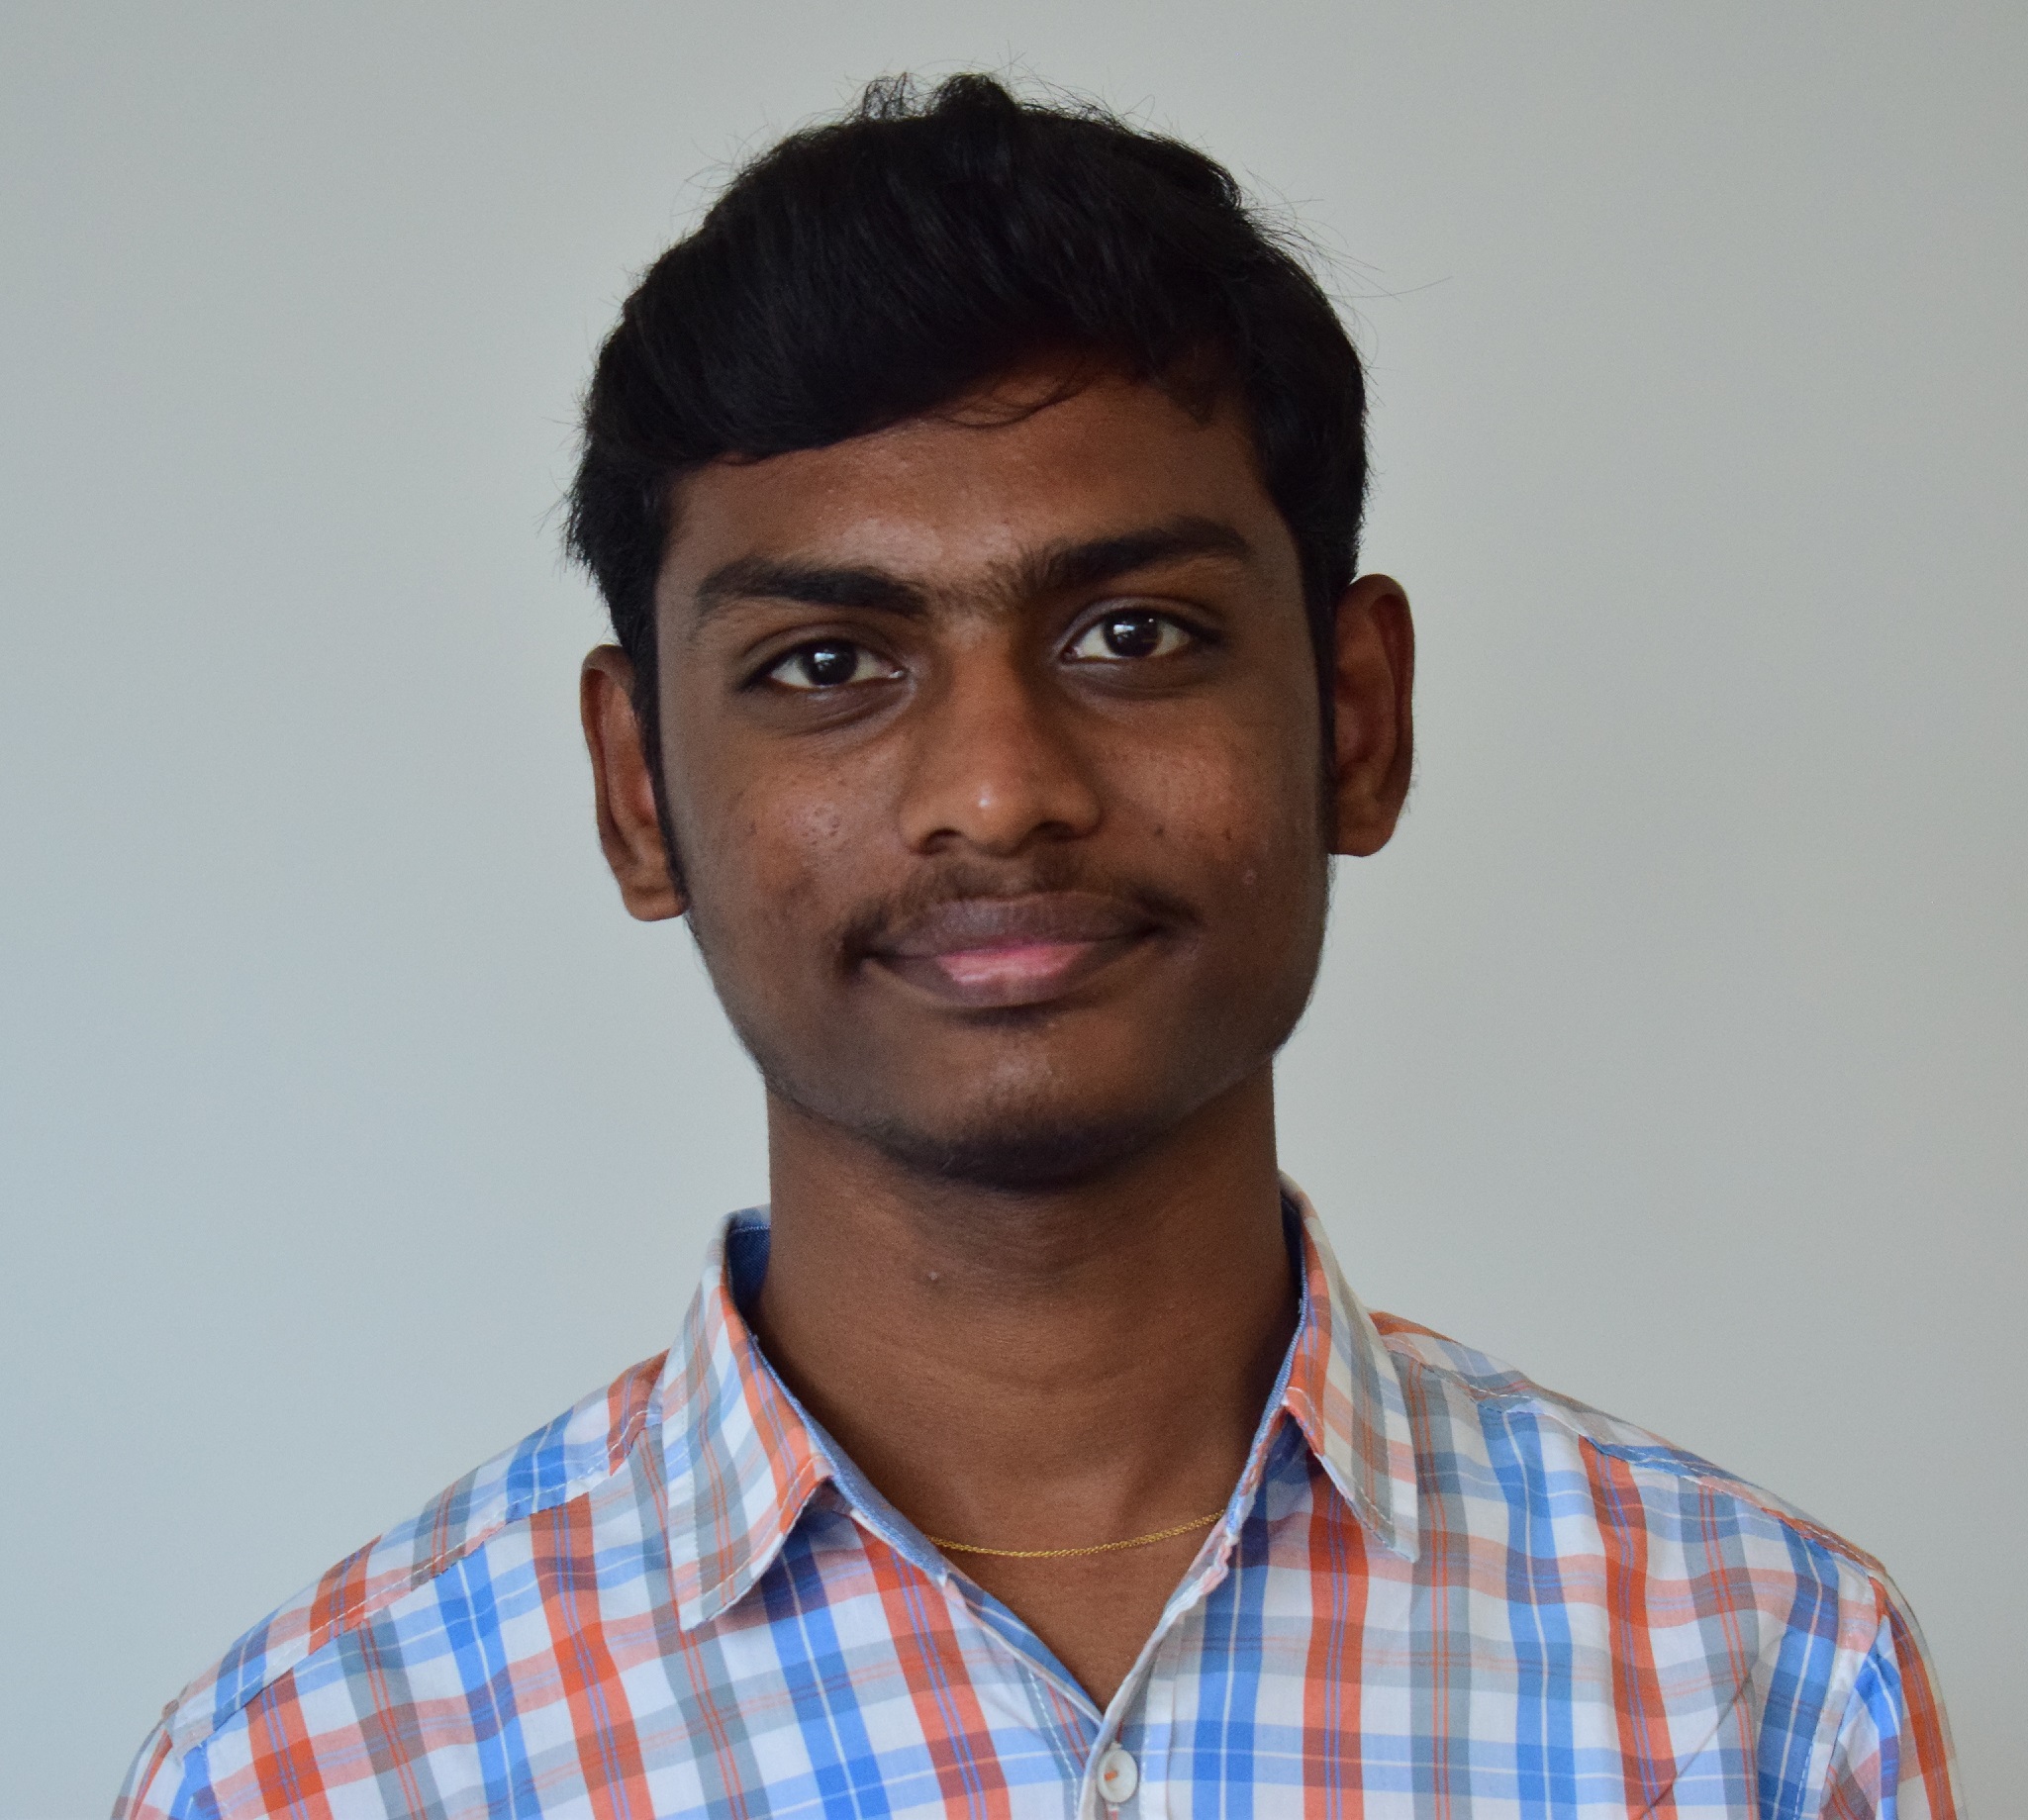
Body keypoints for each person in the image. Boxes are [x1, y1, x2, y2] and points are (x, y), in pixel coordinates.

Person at [115, 73, 1958, 1820]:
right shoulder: (325, 1768)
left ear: (1355, 718)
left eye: (1132, 635)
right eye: (826, 664)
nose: (998, 795)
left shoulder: (1754, 1676)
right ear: (637, 789)